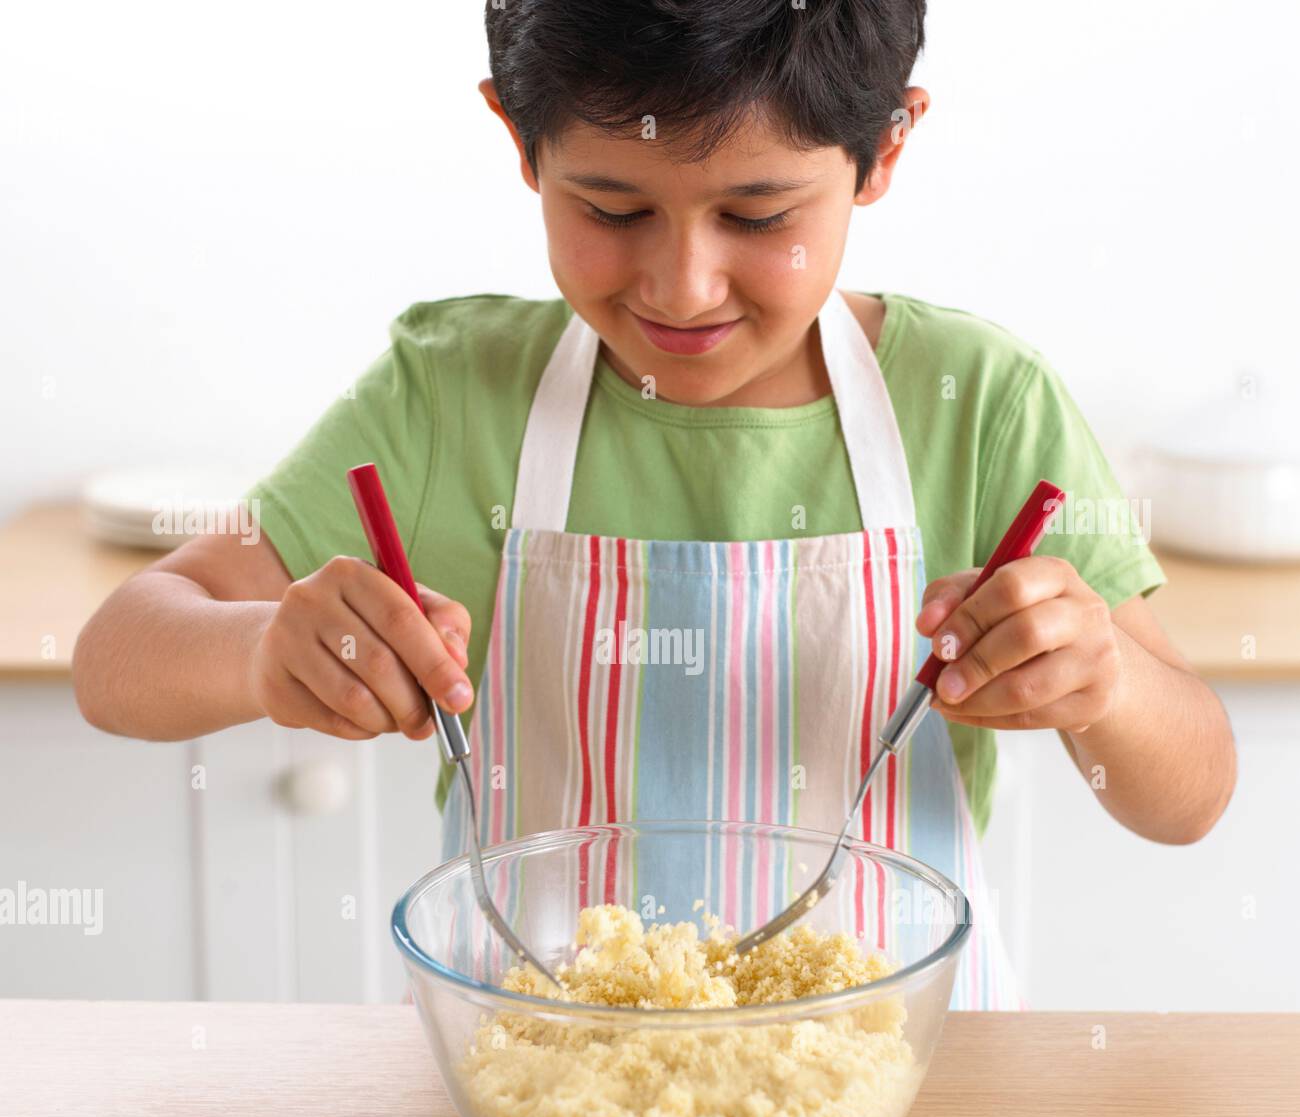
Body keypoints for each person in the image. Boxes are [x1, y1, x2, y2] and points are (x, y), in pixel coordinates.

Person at [72, 0, 1236, 1008]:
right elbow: (118, 658)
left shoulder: (978, 406)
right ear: (518, 143)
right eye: (614, 209)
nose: (683, 286)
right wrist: (265, 653)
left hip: (900, 1100)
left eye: (759, 215)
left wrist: (1107, 686)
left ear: (883, 149)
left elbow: (1189, 796)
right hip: (536, 1083)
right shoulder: (451, 396)